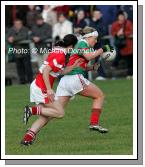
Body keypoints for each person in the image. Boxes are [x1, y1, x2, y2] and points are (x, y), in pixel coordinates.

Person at [20, 34, 82, 146]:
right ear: (71, 46)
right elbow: (46, 71)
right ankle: (31, 110)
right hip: (41, 87)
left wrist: (73, 66)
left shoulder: (58, 50)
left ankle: (27, 139)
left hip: (39, 85)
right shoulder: (61, 55)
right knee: (60, 113)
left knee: (46, 116)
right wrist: (49, 89)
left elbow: (59, 72)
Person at [55, 27, 112, 133]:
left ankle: (32, 126)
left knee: (57, 111)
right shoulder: (82, 43)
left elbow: (78, 65)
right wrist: (103, 49)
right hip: (74, 79)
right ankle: (94, 123)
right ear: (88, 37)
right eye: (95, 38)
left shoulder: (79, 44)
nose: (96, 41)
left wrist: (91, 68)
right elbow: (89, 56)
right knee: (99, 96)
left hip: (65, 81)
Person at [6, 19, 33, 84]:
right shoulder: (11, 30)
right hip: (16, 52)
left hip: (25, 51)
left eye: (19, 24)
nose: (17, 25)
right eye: (16, 24)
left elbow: (24, 37)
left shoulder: (25, 29)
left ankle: (30, 81)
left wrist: (13, 39)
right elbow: (7, 36)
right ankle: (22, 81)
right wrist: (9, 39)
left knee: (28, 68)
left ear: (21, 24)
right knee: (19, 68)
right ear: (14, 24)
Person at [111, 11, 133, 78]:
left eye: (122, 16)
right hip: (119, 45)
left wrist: (123, 33)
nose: (121, 17)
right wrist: (117, 34)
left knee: (130, 60)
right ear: (117, 17)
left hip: (129, 45)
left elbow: (132, 31)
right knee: (121, 57)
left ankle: (130, 74)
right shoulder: (115, 24)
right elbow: (112, 33)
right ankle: (114, 66)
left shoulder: (128, 23)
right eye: (120, 16)